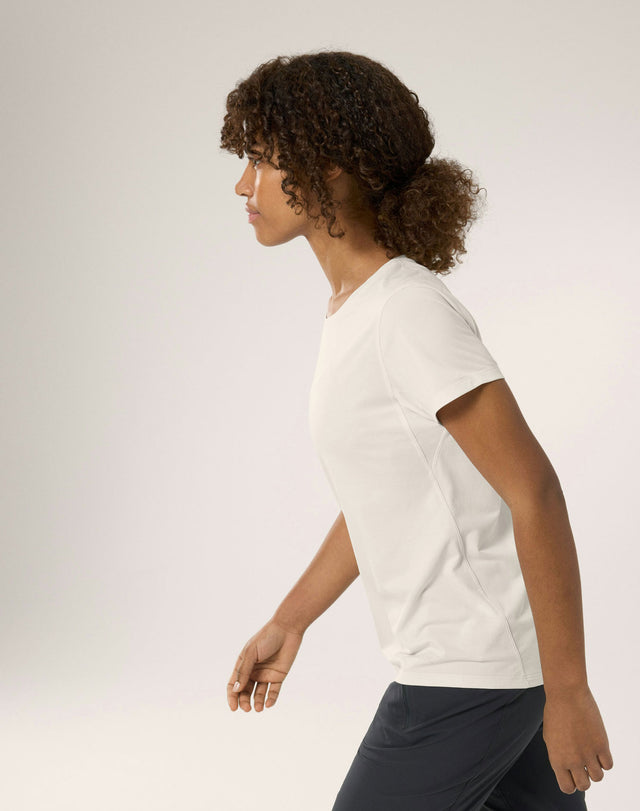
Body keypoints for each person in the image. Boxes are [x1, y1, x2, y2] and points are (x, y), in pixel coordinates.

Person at [219, 50, 613, 810]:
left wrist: (569, 690)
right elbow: (385, 495)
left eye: (263, 160)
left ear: (330, 168)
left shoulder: (406, 312)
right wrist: (290, 621)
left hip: (470, 676)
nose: (244, 185)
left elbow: (533, 489)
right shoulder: (360, 310)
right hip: (484, 669)